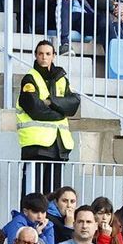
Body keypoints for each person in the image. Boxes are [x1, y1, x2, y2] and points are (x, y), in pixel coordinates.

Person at [15, 40, 80, 195]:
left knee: (55, 196)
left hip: (59, 146)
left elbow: (74, 104)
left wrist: (51, 102)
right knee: (33, 195)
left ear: (54, 56)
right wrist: (60, 111)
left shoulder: (62, 79)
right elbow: (35, 108)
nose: (44, 57)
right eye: (41, 54)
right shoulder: (30, 78)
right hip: (36, 146)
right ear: (36, 56)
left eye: (48, 54)